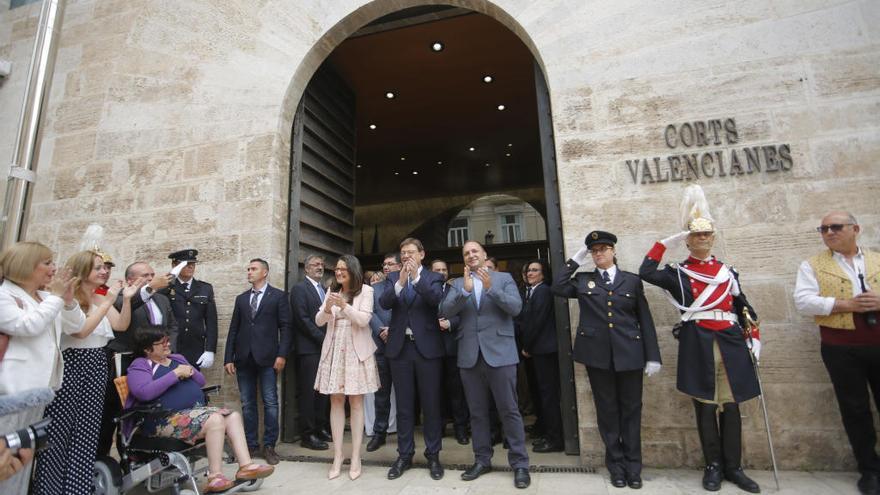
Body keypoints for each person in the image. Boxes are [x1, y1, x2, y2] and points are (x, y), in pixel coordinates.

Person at [639, 185, 761, 493]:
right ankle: (713, 466)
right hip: (699, 341)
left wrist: (754, 337)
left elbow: (743, 307)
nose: (702, 238)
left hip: (730, 341)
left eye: (707, 234)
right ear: (688, 240)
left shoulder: (727, 272)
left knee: (731, 406)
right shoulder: (678, 273)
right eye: (696, 235)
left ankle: (734, 466)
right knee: (706, 405)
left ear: (713, 238)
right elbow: (646, 271)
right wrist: (664, 243)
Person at [552, 232, 661, 488]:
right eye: (594, 250)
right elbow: (557, 285)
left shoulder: (631, 281)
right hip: (598, 357)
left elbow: (645, 319)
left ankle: (634, 468)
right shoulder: (583, 280)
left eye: (603, 249)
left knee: (632, 412)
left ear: (613, 251)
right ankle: (617, 467)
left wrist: (652, 356)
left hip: (630, 355)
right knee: (608, 412)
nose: (599, 253)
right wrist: (576, 259)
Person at [34, 250, 141, 495]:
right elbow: (81, 331)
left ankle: (77, 489)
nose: (104, 272)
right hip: (72, 364)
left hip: (96, 363)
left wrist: (125, 299)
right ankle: (50, 490)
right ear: (83, 271)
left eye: (104, 267)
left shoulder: (98, 298)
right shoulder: (68, 299)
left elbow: (121, 325)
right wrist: (107, 301)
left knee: (87, 431)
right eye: (98, 268)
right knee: (59, 432)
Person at [793, 211, 880, 495]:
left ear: (855, 228)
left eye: (835, 227)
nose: (829, 232)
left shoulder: (877, 258)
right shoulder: (812, 265)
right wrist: (846, 305)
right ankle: (869, 470)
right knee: (854, 408)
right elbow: (804, 301)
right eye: (823, 229)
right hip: (840, 347)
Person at [126, 328, 274, 492]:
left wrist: (189, 370)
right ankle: (215, 477)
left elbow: (201, 381)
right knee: (216, 420)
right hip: (163, 419)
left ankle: (246, 466)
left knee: (232, 416)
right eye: (162, 343)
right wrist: (175, 374)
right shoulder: (140, 365)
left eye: (167, 340)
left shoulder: (177, 358)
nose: (168, 344)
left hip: (192, 413)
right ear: (147, 349)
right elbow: (144, 392)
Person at [439, 240, 531, 489]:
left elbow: (515, 308)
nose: (470, 255)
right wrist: (465, 292)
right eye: (466, 253)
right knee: (477, 413)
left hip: (500, 355)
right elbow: (444, 311)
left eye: (474, 251)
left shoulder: (503, 279)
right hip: (470, 357)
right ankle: (482, 459)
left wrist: (491, 289)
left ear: (484, 254)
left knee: (509, 410)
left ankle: (520, 464)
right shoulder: (458, 284)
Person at [379, 238, 445, 480]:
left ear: (422, 254)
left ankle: (433, 455)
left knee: (431, 405)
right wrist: (400, 282)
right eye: (403, 253)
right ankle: (404, 455)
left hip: (427, 349)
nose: (406, 256)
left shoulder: (433, 277)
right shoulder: (393, 278)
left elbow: (435, 300)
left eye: (410, 252)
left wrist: (416, 278)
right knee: (405, 407)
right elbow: (384, 302)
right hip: (400, 349)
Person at [98, 261, 174, 457]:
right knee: (116, 412)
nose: (151, 278)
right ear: (130, 280)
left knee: (146, 412)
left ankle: (139, 457)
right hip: (124, 362)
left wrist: (168, 352)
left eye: (152, 274)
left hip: (153, 364)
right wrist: (149, 288)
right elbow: (126, 309)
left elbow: (172, 327)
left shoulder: (162, 300)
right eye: (145, 276)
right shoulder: (120, 298)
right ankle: (102, 459)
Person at [315, 255, 379, 480]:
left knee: (356, 401)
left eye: (344, 269)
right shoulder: (331, 291)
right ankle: (338, 456)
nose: (339, 272)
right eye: (337, 269)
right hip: (334, 349)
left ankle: (356, 456)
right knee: (336, 399)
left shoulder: (366, 292)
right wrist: (328, 308)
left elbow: (363, 320)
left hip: (356, 351)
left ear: (353, 271)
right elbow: (318, 321)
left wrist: (344, 306)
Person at [224, 258, 292, 466]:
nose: (249, 272)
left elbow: (286, 328)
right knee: (247, 404)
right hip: (243, 358)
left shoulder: (278, 296)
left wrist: (282, 355)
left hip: (268, 358)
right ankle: (251, 445)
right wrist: (228, 357)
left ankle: (270, 445)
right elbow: (234, 329)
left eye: (253, 269)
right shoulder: (241, 299)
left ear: (265, 272)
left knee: (271, 402)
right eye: (248, 268)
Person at [0, 241, 82, 395]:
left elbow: (75, 327)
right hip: (13, 383)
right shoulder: (4, 295)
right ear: (25, 265)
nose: (54, 269)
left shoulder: (46, 298)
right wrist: (56, 296)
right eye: (47, 263)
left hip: (43, 383)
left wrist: (69, 302)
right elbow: (28, 326)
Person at [520, 259, 564, 454]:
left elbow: (536, 322)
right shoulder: (533, 291)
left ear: (543, 274)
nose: (530, 273)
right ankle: (546, 431)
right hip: (539, 351)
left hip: (544, 351)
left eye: (535, 270)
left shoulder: (544, 291)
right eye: (529, 270)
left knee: (549, 396)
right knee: (542, 395)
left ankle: (555, 439)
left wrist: (527, 346)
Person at [291, 254, 331, 450]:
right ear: (306, 269)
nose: (320, 267)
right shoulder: (299, 289)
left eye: (322, 264)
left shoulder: (324, 290)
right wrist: (323, 339)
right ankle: (307, 435)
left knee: (323, 391)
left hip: (324, 349)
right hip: (309, 349)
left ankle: (320, 427)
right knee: (308, 392)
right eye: (315, 264)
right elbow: (302, 319)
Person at [432, 259, 469, 445]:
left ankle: (460, 429)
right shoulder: (424, 290)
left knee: (457, 392)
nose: (441, 272)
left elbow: (464, 314)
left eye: (444, 269)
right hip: (430, 349)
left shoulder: (456, 289)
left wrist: (449, 323)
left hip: (453, 347)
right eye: (437, 270)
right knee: (435, 392)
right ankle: (438, 428)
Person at [366, 253, 400, 452]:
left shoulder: (406, 285)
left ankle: (405, 432)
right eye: (384, 264)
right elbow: (370, 312)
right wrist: (381, 330)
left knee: (405, 393)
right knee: (381, 393)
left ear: (399, 266)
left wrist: (394, 330)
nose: (386, 267)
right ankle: (379, 433)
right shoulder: (373, 289)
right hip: (381, 345)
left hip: (402, 345)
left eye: (390, 264)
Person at [162, 249, 218, 370]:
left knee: (193, 384)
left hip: (195, 347)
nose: (190, 266)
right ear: (174, 265)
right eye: (186, 264)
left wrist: (210, 349)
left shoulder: (205, 288)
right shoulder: (167, 287)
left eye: (193, 264)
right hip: (172, 345)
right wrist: (171, 277)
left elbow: (211, 322)